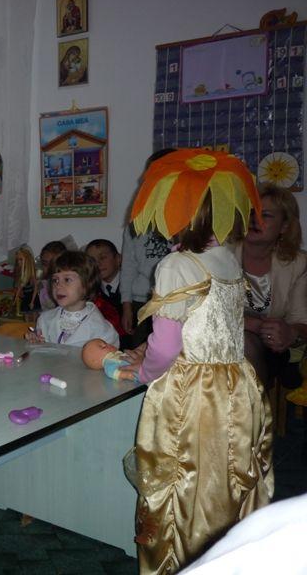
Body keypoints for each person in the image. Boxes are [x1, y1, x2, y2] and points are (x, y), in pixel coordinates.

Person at [117, 148, 273, 574]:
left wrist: (142, 372)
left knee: (181, 482)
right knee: (225, 476)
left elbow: (167, 348)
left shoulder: (176, 264)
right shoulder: (228, 258)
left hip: (193, 392)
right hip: (236, 385)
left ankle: (181, 561)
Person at [233, 183, 307, 390]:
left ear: (285, 227)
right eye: (250, 213)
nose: (254, 220)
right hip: (218, 339)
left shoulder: (298, 264)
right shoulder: (221, 252)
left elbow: (301, 321)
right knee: (243, 342)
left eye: (265, 215)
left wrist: (291, 332)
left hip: (270, 348)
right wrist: (253, 325)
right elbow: (203, 308)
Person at [120, 149, 176, 348]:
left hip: (174, 301)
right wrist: (126, 305)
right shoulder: (137, 221)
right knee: (140, 353)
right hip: (142, 301)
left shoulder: (186, 219)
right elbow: (128, 266)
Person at [27, 251, 119, 348]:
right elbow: (40, 354)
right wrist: (36, 343)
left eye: (67, 280)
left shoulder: (103, 330)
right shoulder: (45, 320)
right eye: (55, 280)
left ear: (87, 285)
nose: (58, 286)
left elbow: (110, 356)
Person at [36, 240, 67, 311]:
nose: (50, 268)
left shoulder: (66, 288)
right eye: (45, 264)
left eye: (53, 264)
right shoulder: (41, 284)